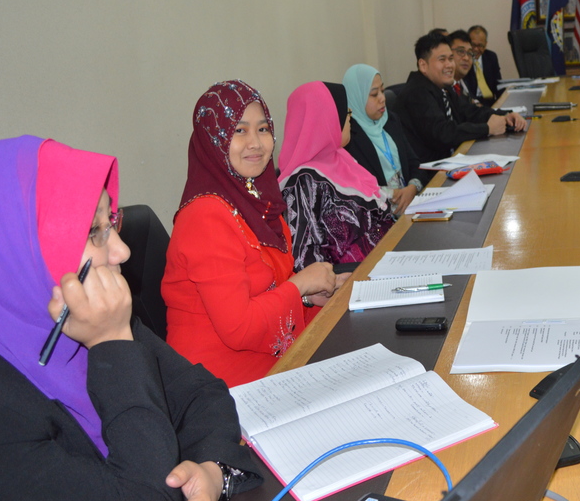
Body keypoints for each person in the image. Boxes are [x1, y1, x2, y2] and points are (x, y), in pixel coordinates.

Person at [0, 136, 261, 501]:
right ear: (14, 249)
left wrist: (213, 472)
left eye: (113, 223)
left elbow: (202, 395)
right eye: (94, 232)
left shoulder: (83, 317)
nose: (122, 251)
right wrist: (111, 344)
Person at [162, 80, 340, 387]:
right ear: (213, 140)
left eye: (263, 129)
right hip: (218, 384)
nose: (255, 143)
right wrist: (300, 284)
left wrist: (311, 296)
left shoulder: (260, 202)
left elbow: (270, 288)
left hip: (268, 362)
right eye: (239, 131)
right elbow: (239, 328)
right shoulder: (204, 217)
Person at [279, 80, 395, 268]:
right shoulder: (304, 181)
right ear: (326, 118)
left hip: (387, 259)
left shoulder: (343, 160)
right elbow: (304, 260)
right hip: (353, 278)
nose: (350, 120)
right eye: (347, 113)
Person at [395, 32, 527, 179]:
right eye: (442, 59)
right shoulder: (417, 92)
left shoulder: (441, 87)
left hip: (450, 164)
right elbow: (443, 134)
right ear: (423, 65)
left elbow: (469, 112)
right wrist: (487, 128)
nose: (449, 65)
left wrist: (505, 115)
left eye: (451, 58)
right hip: (430, 176)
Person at [343, 63, 424, 216]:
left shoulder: (390, 120)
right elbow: (357, 189)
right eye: (374, 94)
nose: (382, 98)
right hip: (380, 216)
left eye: (382, 90)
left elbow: (414, 162)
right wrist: (393, 194)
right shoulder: (349, 137)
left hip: (411, 204)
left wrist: (412, 188)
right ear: (356, 97)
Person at [464, 24, 502, 102]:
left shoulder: (491, 57)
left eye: (480, 45)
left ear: (485, 44)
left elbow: (498, 85)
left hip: (490, 102)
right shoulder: (464, 60)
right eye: (473, 45)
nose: (476, 49)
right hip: (472, 102)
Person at [449, 30, 477, 103]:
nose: (466, 58)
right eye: (461, 51)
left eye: (469, 53)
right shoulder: (441, 88)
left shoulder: (468, 82)